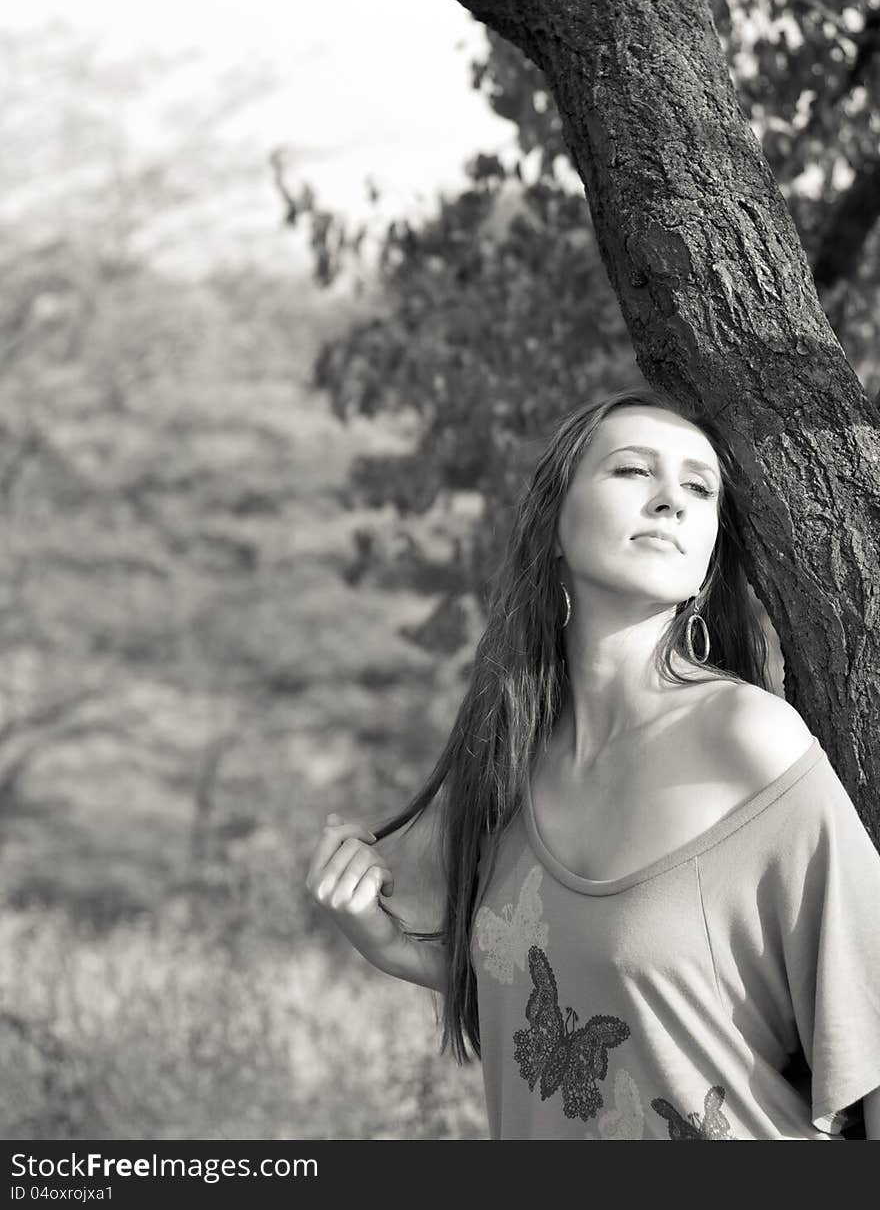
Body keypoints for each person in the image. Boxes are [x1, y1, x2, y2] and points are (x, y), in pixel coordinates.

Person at [305, 384, 880, 1140]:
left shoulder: (746, 738)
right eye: (633, 471)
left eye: (699, 487)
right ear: (554, 525)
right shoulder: (512, 763)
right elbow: (581, 987)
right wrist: (398, 949)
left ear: (709, 556)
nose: (671, 499)